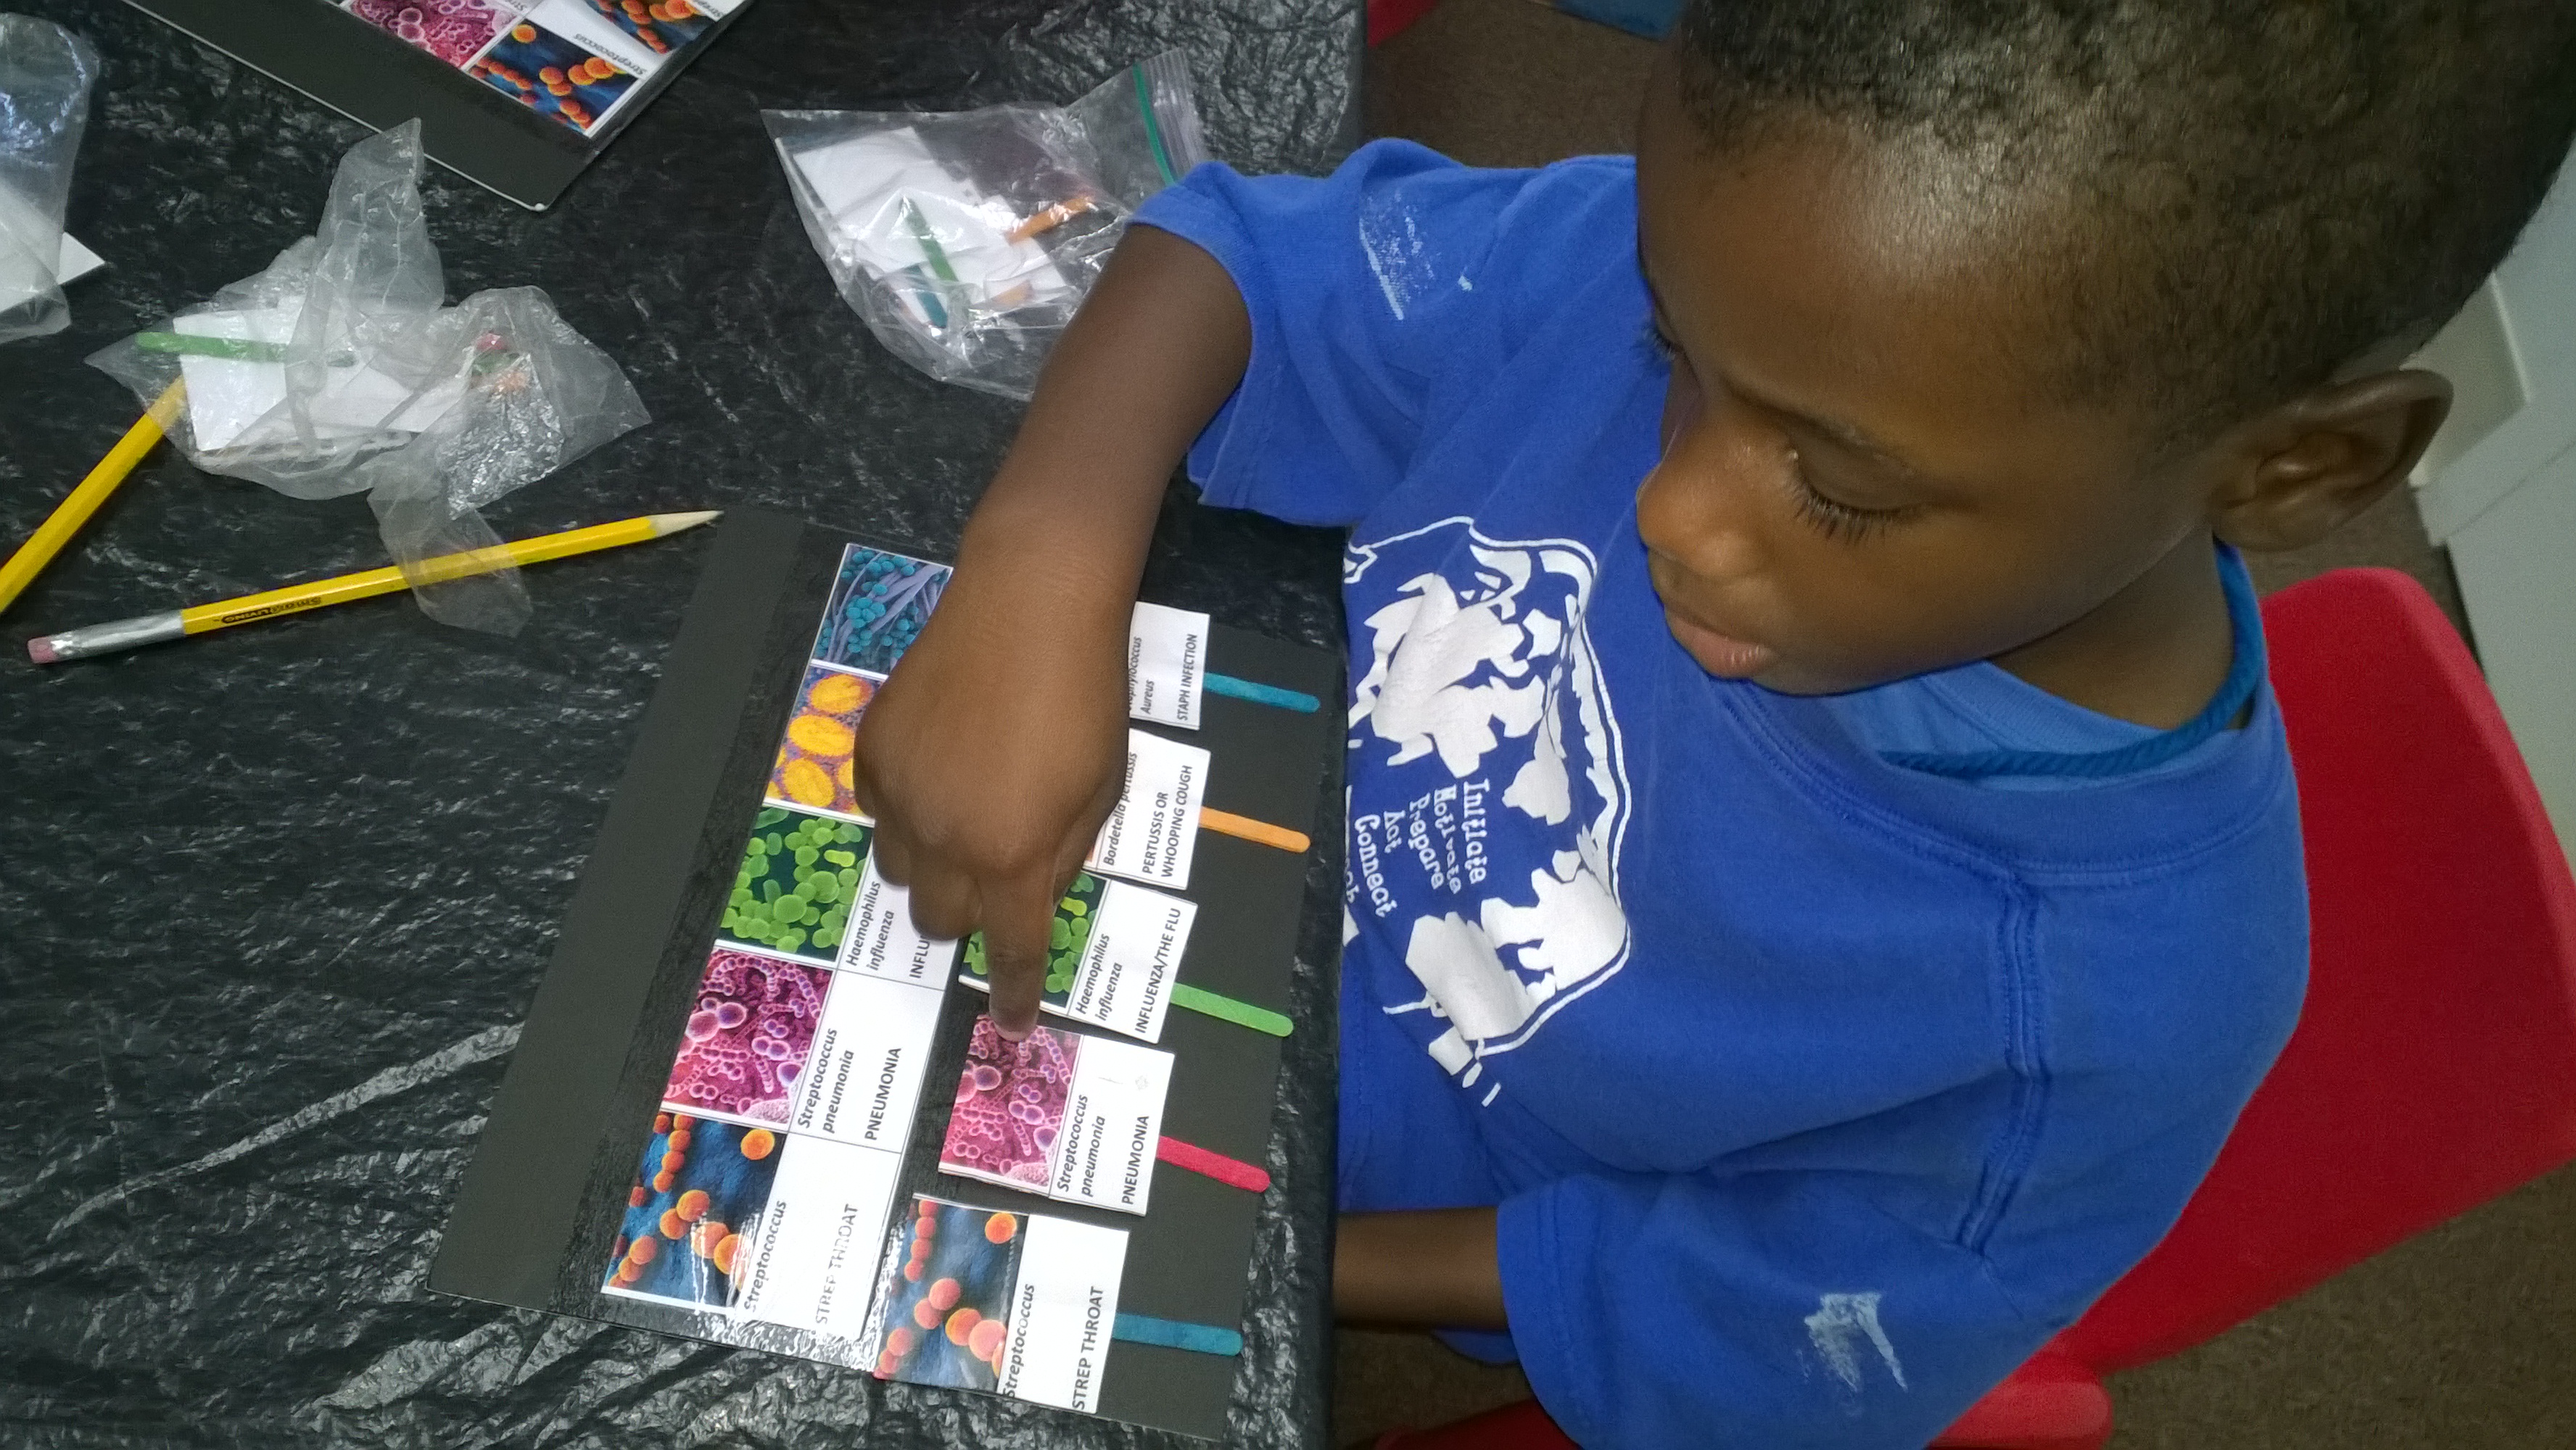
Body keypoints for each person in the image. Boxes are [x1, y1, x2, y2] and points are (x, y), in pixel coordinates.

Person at [850, 3, 2576, 1443]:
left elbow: (1729, 1311)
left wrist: (1259, 1220)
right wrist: (1040, 565)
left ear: (2301, 470)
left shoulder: (2114, 1012)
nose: (1671, 506)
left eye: (1839, 487)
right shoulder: (1762, 288)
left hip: (1318, 1165)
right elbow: (1239, 257)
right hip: (1219, 805)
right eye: (1676, 347)